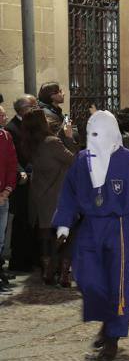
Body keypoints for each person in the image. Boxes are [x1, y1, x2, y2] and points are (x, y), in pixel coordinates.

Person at [52, 110, 129, 361]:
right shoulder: (81, 160)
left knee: (117, 283)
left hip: (120, 226)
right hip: (90, 226)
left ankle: (113, 336)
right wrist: (64, 223)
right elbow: (69, 193)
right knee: (87, 278)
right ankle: (106, 318)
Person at [23, 109, 76, 286]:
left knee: (45, 235)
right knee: (65, 235)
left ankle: (47, 271)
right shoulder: (52, 142)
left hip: (40, 196)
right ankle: (63, 274)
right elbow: (73, 160)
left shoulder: (31, 143)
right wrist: (68, 137)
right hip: (58, 195)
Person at [6, 95, 37, 273]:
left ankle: (31, 258)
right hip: (21, 181)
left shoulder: (29, 124)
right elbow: (12, 156)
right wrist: (22, 170)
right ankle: (19, 261)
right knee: (21, 220)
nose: (36, 109)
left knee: (31, 219)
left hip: (32, 178)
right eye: (33, 106)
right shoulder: (11, 128)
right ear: (24, 109)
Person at [0, 105, 19, 287]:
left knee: (0, 239)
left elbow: (12, 165)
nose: (4, 118)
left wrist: (7, 190)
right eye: (1, 115)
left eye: (5, 115)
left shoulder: (6, 137)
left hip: (3, 197)